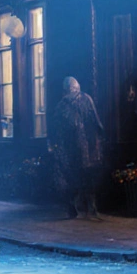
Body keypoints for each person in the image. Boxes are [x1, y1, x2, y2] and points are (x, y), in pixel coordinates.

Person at [50, 76, 104, 219]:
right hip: (84, 146)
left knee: (77, 177)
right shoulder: (84, 99)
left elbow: (55, 130)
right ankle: (88, 207)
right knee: (86, 176)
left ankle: (81, 206)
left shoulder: (61, 105)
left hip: (74, 148)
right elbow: (97, 123)